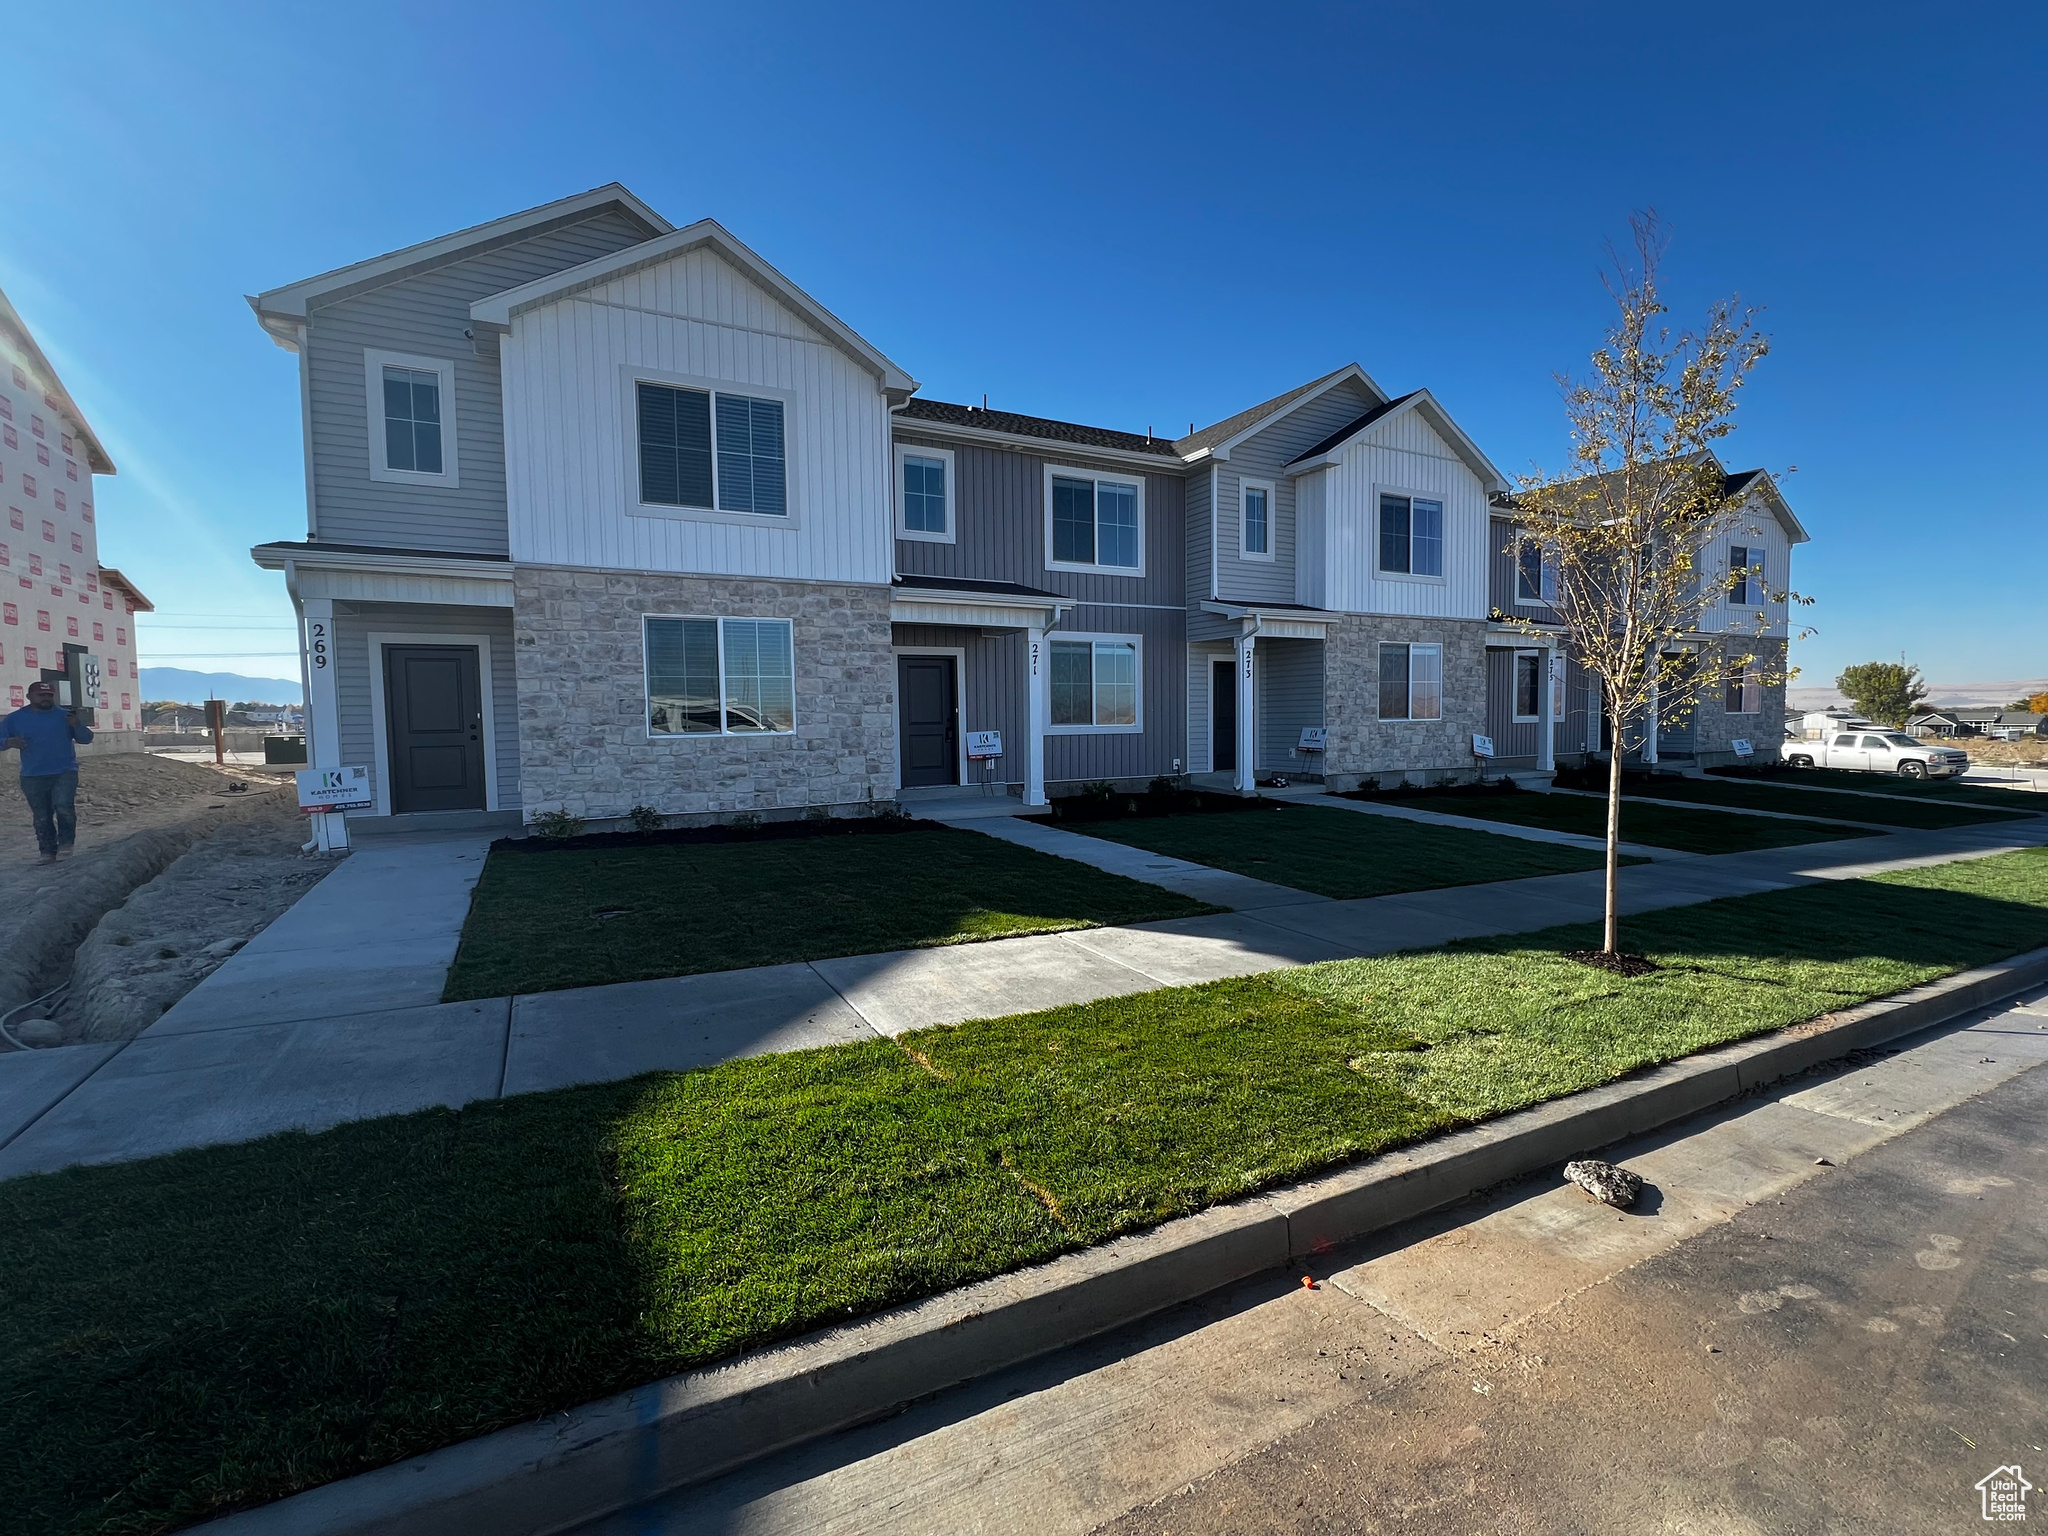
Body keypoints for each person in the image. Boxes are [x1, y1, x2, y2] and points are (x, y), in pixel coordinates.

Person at [2, 680, 94, 864]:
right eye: (41, 695)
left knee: (63, 807)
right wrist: (8, 742)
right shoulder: (14, 719)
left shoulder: (66, 716)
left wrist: (77, 725)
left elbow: (86, 738)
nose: (46, 698)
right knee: (42, 816)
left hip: (64, 771)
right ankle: (47, 852)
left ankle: (66, 845)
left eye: (49, 695)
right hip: (32, 775)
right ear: (29, 697)